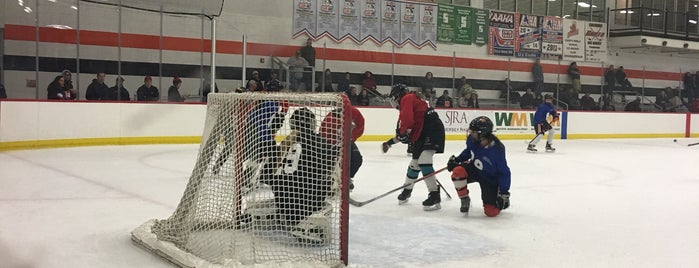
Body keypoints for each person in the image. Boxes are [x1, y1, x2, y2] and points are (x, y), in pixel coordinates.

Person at [269, 108, 337, 239]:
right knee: (325, 180)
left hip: (284, 207)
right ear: (312, 123)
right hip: (309, 205)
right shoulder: (321, 142)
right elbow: (328, 171)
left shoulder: (284, 144)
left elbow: (268, 176)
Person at [388, 84, 446, 211]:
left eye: (394, 97)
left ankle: (434, 194)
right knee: (415, 164)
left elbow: (407, 120)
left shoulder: (407, 98)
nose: (393, 101)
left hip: (431, 129)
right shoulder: (410, 99)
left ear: (398, 95)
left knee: (424, 161)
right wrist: (405, 133)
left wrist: (403, 132)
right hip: (423, 131)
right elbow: (410, 120)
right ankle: (407, 189)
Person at [445, 116, 511, 217]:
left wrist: (504, 192)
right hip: (475, 169)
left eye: (474, 132)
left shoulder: (496, 150)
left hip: (490, 178)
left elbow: (504, 172)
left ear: (482, 134)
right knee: (458, 172)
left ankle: (496, 198)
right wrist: (457, 159)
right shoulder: (472, 140)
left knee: (490, 212)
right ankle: (464, 199)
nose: (471, 133)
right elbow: (469, 151)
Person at [319, 103, 364, 191]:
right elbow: (323, 131)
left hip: (347, 141)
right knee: (330, 161)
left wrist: (351, 138)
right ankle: (327, 180)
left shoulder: (354, 112)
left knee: (357, 158)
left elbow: (360, 125)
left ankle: (347, 179)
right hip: (330, 143)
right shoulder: (331, 115)